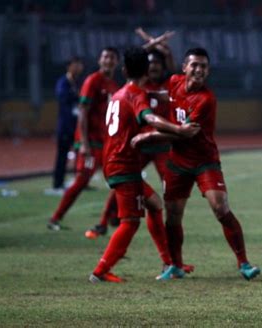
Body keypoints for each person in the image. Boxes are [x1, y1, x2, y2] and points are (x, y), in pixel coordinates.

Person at [134, 48, 261, 280]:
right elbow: (169, 97)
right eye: (195, 65)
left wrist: (150, 135)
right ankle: (176, 265)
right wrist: (152, 97)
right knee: (173, 216)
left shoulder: (206, 100)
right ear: (184, 67)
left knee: (221, 209)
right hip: (177, 162)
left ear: (208, 71)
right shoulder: (173, 82)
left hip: (205, 162)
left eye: (203, 66)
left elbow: (184, 134)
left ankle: (244, 263)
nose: (199, 70)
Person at [89, 46, 200, 283]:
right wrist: (178, 129)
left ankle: (169, 261)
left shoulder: (119, 93)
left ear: (124, 69)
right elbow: (150, 118)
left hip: (115, 161)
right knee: (129, 222)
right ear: (147, 71)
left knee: (154, 204)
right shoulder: (135, 94)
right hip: (123, 165)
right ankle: (101, 270)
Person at [47, 47, 120, 231]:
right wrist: (84, 144)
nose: (108, 60)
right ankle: (55, 218)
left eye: (112, 57)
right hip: (91, 142)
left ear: (116, 62)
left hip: (105, 142)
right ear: (99, 60)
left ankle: (110, 217)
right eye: (105, 56)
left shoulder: (113, 85)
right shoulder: (92, 81)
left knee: (120, 177)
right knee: (82, 181)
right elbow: (83, 113)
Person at [45, 57, 84, 195]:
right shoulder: (63, 82)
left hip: (78, 126)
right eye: (76, 65)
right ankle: (57, 184)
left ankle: (80, 182)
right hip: (66, 125)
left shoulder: (78, 83)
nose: (78, 68)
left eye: (80, 65)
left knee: (81, 155)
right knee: (62, 155)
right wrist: (76, 96)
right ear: (69, 67)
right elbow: (62, 97)